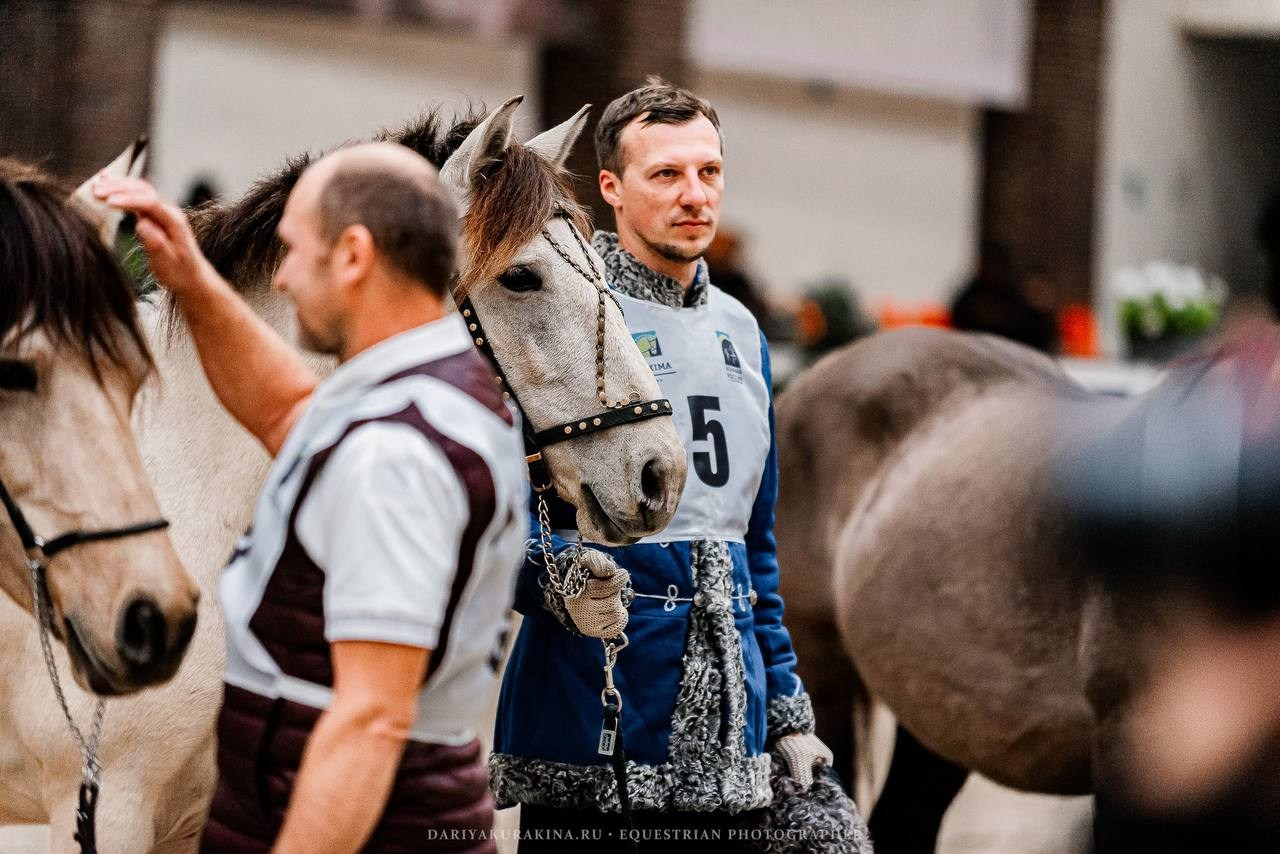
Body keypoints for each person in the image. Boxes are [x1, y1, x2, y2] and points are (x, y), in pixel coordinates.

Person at [95, 142, 527, 853]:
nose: (284, 278)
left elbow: (369, 722)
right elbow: (289, 414)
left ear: (353, 254)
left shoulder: (393, 456)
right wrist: (198, 288)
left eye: (293, 250)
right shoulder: (433, 389)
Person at [490, 78, 834, 850]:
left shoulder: (742, 329)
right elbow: (491, 517)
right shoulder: (556, 314)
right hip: (596, 721)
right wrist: (558, 579)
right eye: (666, 175)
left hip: (732, 741)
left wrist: (785, 710)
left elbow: (755, 548)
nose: (694, 195)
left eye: (708, 172)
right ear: (610, 187)